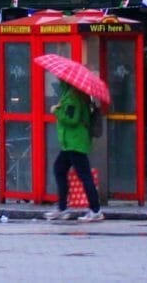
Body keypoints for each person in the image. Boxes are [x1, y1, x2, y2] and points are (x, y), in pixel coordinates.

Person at [45, 81, 103, 222]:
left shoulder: (72, 97)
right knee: (60, 169)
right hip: (71, 143)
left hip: (75, 143)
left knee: (85, 176)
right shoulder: (73, 95)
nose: (58, 82)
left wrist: (56, 111)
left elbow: (73, 119)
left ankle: (95, 210)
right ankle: (63, 208)